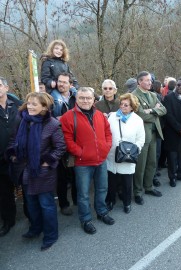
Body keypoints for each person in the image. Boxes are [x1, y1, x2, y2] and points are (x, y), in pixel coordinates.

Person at [7, 92, 66, 251]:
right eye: (29, 103)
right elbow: (13, 140)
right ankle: (35, 228)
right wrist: (13, 154)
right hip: (24, 171)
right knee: (31, 204)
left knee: (46, 205)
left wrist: (47, 161)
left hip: (42, 172)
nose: (30, 106)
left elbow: (60, 147)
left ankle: (51, 235)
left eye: (34, 104)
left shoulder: (52, 124)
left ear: (44, 107)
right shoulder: (22, 120)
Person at [60, 87, 114, 235]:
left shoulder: (100, 115)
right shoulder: (68, 117)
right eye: (82, 98)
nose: (85, 101)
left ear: (93, 99)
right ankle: (86, 219)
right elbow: (68, 140)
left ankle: (102, 212)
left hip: (101, 160)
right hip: (82, 163)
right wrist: (81, 153)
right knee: (83, 194)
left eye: (88, 98)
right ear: (76, 99)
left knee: (102, 188)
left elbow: (108, 133)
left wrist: (106, 147)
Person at [131, 71, 167, 205]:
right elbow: (140, 115)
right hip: (142, 135)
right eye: (147, 80)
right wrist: (155, 111)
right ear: (139, 82)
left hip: (154, 133)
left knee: (152, 162)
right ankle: (138, 192)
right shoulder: (133, 96)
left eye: (150, 80)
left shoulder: (153, 94)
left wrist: (151, 110)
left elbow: (164, 110)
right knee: (141, 165)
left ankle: (149, 187)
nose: (150, 82)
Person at [106, 93, 145, 213]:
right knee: (111, 180)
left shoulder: (137, 120)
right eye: (121, 104)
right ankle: (110, 200)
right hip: (112, 154)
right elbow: (106, 132)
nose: (122, 107)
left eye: (126, 105)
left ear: (132, 107)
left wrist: (134, 150)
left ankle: (127, 203)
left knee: (127, 182)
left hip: (128, 155)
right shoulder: (112, 117)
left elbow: (141, 139)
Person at [51, 72, 77, 216]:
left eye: (64, 82)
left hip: (75, 139)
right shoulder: (51, 98)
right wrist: (57, 119)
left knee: (76, 172)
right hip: (58, 140)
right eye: (59, 81)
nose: (61, 84)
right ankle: (64, 204)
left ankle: (77, 199)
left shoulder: (75, 97)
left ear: (70, 84)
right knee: (61, 175)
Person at [0, 76, 22, 237]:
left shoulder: (19, 106)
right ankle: (8, 221)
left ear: (6, 88)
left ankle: (32, 218)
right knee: (4, 192)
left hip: (19, 156)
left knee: (26, 188)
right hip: (1, 158)